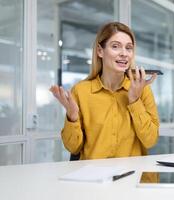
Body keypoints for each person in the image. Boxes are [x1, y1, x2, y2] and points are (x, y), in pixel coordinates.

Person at [49, 22, 159, 160]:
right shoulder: (81, 91)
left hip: (134, 177)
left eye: (129, 48)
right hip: (93, 177)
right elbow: (73, 147)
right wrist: (72, 117)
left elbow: (150, 140)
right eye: (115, 46)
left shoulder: (142, 89)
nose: (124, 53)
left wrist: (135, 101)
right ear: (100, 51)